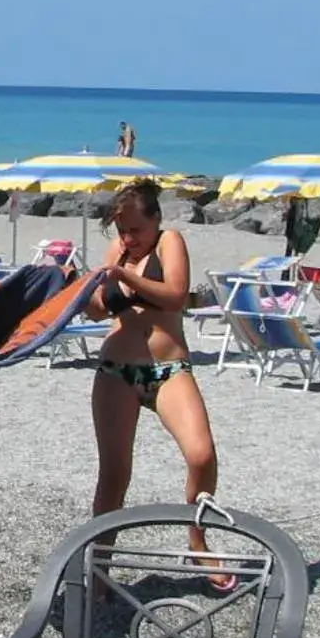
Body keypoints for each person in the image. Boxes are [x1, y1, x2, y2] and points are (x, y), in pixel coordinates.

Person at [83, 180, 222, 571]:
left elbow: (176, 295)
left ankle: (197, 540)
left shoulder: (168, 241)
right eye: (121, 230)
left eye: (135, 230)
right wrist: (90, 289)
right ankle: (101, 564)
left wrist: (125, 278)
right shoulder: (118, 252)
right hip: (117, 371)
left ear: (156, 219)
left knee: (201, 455)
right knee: (113, 475)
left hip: (169, 369)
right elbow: (96, 310)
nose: (128, 238)